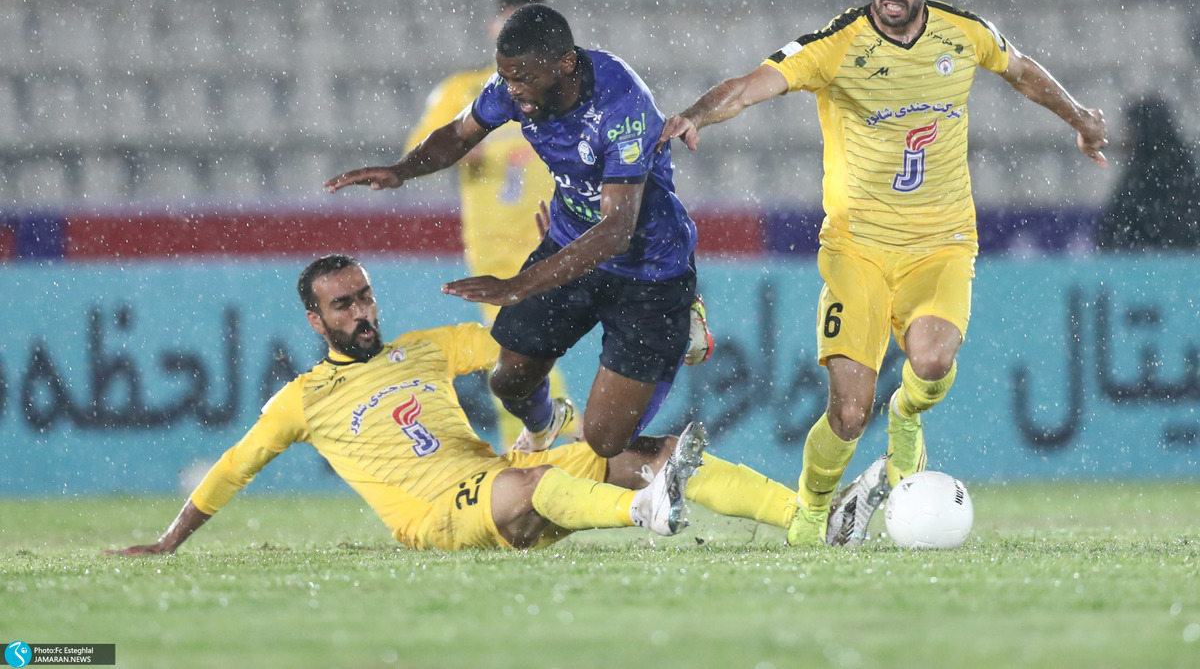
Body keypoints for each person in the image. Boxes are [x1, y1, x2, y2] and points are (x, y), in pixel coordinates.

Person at [658, 0, 1108, 547]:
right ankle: (812, 512)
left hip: (942, 243)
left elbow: (1023, 71)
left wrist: (1080, 118)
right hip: (857, 250)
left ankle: (907, 414)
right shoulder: (836, 45)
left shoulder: (964, 34)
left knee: (931, 359)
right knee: (847, 412)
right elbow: (749, 86)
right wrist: (696, 115)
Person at [105, 256, 799, 554]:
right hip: (436, 514)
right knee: (534, 483)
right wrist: (171, 540)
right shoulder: (303, 399)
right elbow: (233, 467)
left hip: (494, 476)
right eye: (343, 305)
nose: (361, 312)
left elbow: (521, 346)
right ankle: (642, 510)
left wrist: (560, 288)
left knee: (654, 450)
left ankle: (806, 519)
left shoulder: (424, 349)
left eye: (365, 296)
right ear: (316, 321)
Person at [325, 4, 704, 461]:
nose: (512, 90)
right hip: (571, 244)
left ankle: (683, 325)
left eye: (522, 79)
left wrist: (518, 285)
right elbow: (459, 135)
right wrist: (402, 171)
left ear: (565, 64)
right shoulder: (517, 86)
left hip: (649, 269)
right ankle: (546, 423)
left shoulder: (622, 103)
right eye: (506, 77)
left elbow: (617, 231)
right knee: (509, 381)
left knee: (605, 442)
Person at [405, 0, 574, 449]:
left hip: (563, 242)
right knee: (518, 353)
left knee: (526, 354)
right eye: (510, 22)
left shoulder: (568, 91)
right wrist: (459, 150)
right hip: (497, 252)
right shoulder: (463, 92)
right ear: (494, 29)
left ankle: (560, 446)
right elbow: (419, 151)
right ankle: (557, 449)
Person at [1094, 95, 1200, 251]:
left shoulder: (1142, 173)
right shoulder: (1182, 164)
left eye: (1129, 129)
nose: (1125, 138)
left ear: (1141, 131)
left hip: (1147, 257)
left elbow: (1115, 229)